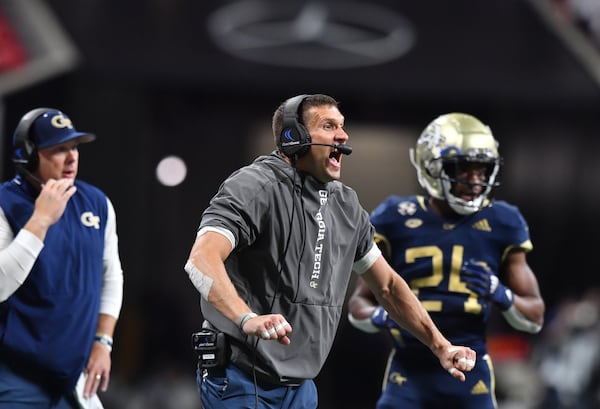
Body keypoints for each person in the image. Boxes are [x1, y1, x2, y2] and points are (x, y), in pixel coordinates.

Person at [184, 94, 477, 409]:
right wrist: (246, 318)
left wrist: (440, 346)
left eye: (343, 126)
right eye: (329, 126)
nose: (343, 135)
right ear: (293, 138)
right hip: (241, 377)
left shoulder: (346, 205)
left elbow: (389, 286)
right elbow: (201, 259)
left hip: (301, 386)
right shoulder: (254, 186)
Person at [346, 112, 546, 409]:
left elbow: (535, 316)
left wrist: (499, 292)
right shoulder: (396, 216)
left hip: (470, 368)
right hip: (410, 370)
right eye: (463, 170)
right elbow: (357, 306)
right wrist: (384, 316)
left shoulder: (503, 220)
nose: (474, 181)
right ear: (431, 166)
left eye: (482, 171)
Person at [0, 108, 124, 408]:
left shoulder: (96, 203)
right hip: (14, 376)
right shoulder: (6, 204)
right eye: (59, 149)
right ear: (29, 155)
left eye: (74, 147)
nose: (71, 157)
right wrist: (39, 221)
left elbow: (111, 276)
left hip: (73, 377)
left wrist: (103, 341)